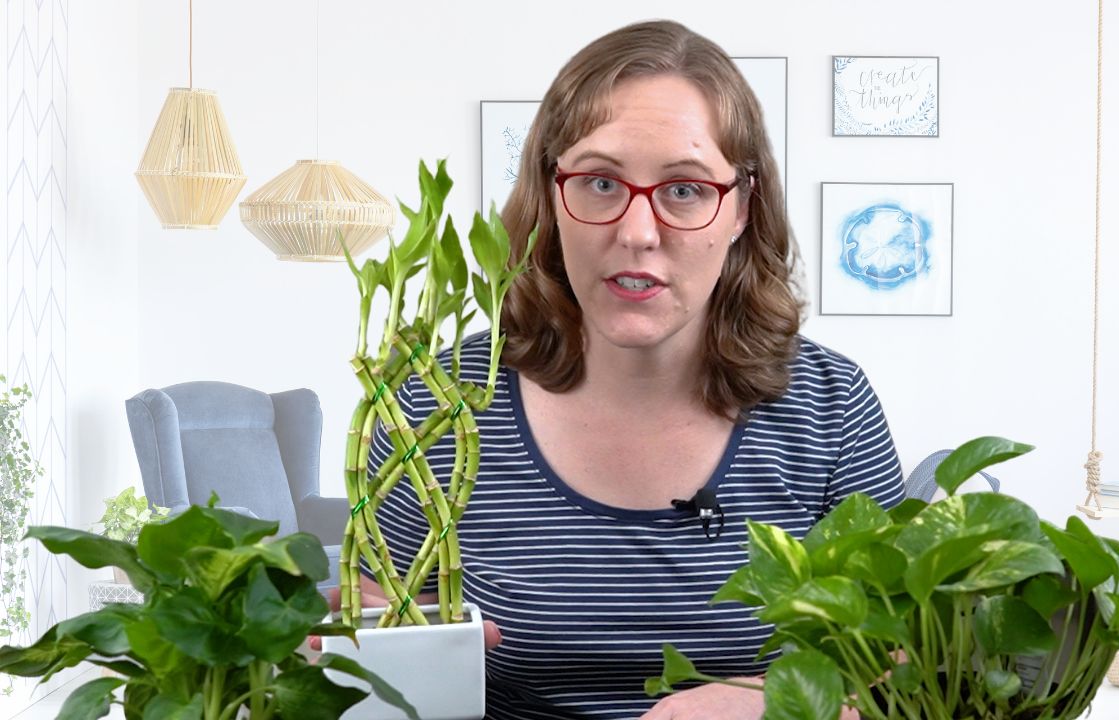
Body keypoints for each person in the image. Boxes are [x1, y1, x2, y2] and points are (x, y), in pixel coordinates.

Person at [343, 19, 904, 720]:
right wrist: (346, 651)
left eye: (686, 189)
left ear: (741, 209)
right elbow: (379, 667)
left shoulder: (829, 405)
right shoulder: (437, 401)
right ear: (552, 195)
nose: (637, 233)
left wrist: (773, 704)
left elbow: (897, 667)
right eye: (601, 182)